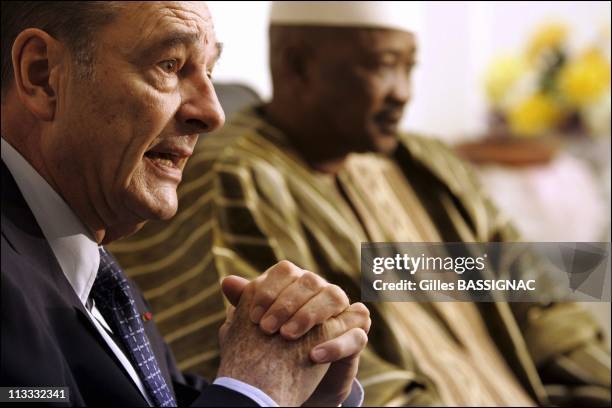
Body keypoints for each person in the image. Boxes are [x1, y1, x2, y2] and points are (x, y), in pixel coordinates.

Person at [110, 2, 611, 407]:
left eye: (409, 67)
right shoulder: (232, 177)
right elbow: (297, 359)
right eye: (381, 66)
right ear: (297, 65)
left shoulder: (430, 164)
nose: (403, 94)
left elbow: (537, 297)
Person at [0, 2, 371, 407]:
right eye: (170, 65)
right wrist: (255, 391)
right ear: (43, 77)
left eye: (209, 71)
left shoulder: (93, 267)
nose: (213, 114)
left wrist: (304, 391)